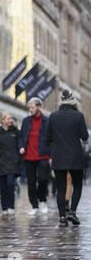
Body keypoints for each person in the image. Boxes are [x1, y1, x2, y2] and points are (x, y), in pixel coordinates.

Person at [47, 90, 89, 227]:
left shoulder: (53, 116)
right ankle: (72, 211)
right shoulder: (78, 116)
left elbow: (48, 137)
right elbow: (84, 137)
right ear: (73, 102)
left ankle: (62, 217)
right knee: (77, 185)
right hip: (75, 157)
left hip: (58, 157)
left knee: (61, 188)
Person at [19, 97, 51, 216]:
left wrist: (51, 154)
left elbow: (51, 138)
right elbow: (21, 136)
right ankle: (34, 205)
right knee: (31, 182)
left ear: (38, 107)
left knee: (43, 179)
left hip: (43, 155)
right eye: (29, 108)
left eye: (32, 107)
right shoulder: (26, 121)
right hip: (28, 156)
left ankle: (42, 200)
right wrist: (21, 146)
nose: (30, 110)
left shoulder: (47, 121)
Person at [0, 112, 21, 216]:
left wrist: (20, 152)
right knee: (3, 187)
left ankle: (11, 207)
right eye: (8, 118)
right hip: (0, 163)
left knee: (11, 184)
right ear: (2, 120)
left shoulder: (15, 132)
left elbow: (20, 143)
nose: (10, 120)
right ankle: (4, 208)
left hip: (12, 163)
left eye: (11, 118)